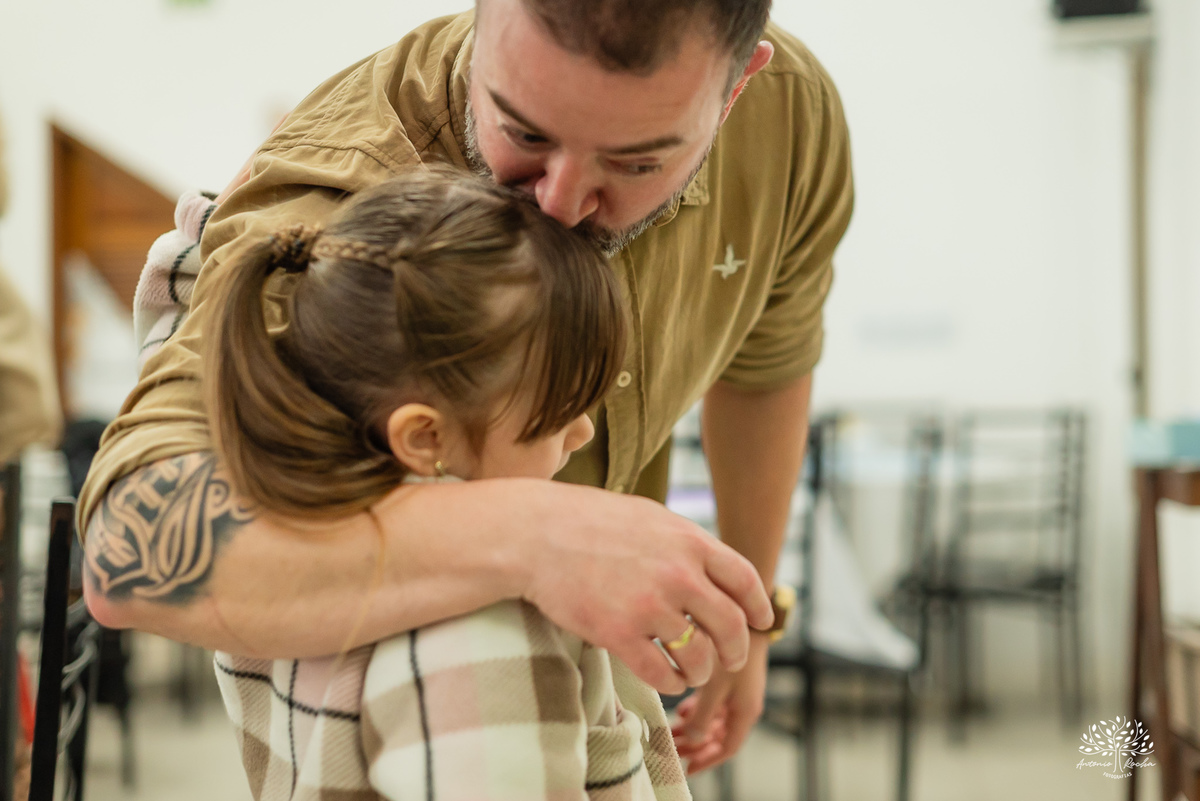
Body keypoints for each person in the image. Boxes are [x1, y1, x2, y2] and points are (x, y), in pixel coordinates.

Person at [80, 0, 854, 772]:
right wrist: (537, 535)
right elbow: (125, 550)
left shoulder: (791, 119)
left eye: (637, 162)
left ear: (737, 88)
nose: (562, 202)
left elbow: (768, 362)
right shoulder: (340, 201)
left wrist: (746, 623)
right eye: (525, 134)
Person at [207, 169, 686, 799]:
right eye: (560, 406)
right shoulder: (489, 622)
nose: (582, 433)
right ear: (426, 439)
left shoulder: (291, 525)